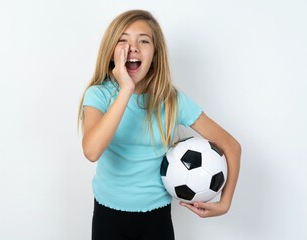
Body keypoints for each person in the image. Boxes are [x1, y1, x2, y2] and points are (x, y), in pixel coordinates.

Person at [78, 9, 241, 240]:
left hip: (156, 219)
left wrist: (225, 203)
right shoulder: (99, 95)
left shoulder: (171, 100)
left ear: (155, 54)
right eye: (123, 40)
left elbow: (231, 146)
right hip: (108, 216)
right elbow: (92, 150)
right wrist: (126, 89)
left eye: (143, 41)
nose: (133, 47)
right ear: (112, 51)